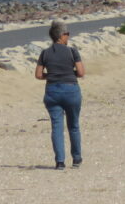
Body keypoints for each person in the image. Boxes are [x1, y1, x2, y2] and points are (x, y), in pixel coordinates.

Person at [35, 21, 84, 170]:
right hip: (70, 89)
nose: (68, 36)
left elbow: (38, 75)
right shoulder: (72, 51)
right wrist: (69, 74)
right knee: (73, 125)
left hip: (52, 91)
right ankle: (76, 158)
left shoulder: (45, 53)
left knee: (57, 127)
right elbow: (81, 72)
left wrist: (52, 76)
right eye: (67, 34)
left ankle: (60, 161)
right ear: (62, 35)